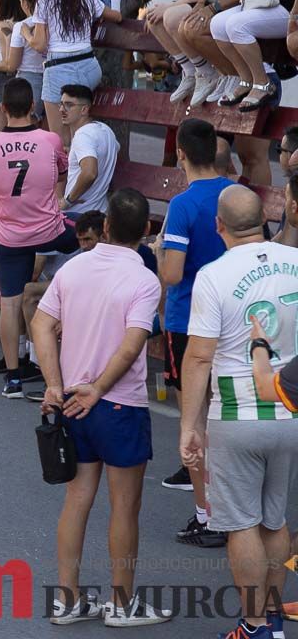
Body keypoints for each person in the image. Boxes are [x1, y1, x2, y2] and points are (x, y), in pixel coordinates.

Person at [34, 189, 171, 627]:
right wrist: (99, 388)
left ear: (106, 227)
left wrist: (56, 385)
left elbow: (40, 324)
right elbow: (133, 346)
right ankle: (122, 603)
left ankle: (69, 599)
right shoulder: (144, 280)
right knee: (125, 507)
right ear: (146, 231)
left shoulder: (74, 268)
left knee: (77, 499)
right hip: (119, 406)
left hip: (74, 401)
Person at [181, 185, 298, 639]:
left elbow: (197, 358)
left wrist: (189, 426)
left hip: (237, 411)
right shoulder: (295, 261)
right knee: (275, 519)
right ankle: (269, 620)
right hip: (289, 406)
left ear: (218, 226)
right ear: (266, 218)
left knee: (241, 524)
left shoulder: (214, 275)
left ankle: (253, 627)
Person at [159, 117, 234, 548]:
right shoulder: (239, 196)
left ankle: (209, 515)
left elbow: (172, 273)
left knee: (195, 420)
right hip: (234, 317)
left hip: (189, 320)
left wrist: (158, 255)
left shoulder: (183, 205)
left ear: (181, 155)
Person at [0, 78, 76, 398]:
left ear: (3, 108)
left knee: (10, 302)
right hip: (50, 230)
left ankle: (13, 378)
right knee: (90, 241)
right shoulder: (49, 139)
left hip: (10, 236)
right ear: (33, 107)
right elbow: (61, 174)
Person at [28, 0, 122, 142]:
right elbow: (117, 16)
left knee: (59, 140)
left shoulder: (45, 3)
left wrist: (24, 33)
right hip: (90, 68)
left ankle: (72, 171)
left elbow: (39, 44)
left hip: (60, 71)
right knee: (78, 131)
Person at [58, 85, 118, 214]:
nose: (62, 109)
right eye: (61, 104)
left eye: (69, 105)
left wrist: (67, 201)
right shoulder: (106, 131)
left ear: (84, 109)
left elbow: (90, 173)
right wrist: (74, 153)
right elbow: (114, 149)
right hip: (100, 211)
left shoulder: (83, 136)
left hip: (78, 215)